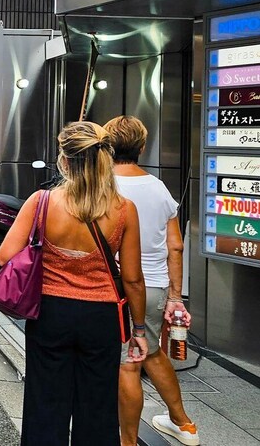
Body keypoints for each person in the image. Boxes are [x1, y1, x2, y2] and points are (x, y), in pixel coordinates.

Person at [0, 121, 148, 446]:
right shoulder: (124, 210)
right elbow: (133, 279)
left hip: (50, 313)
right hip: (101, 318)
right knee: (97, 408)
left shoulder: (41, 202)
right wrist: (139, 330)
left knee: (44, 403)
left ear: (64, 160)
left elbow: (5, 256)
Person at [104, 116, 200, 446]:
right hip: (157, 286)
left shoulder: (103, 185)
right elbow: (176, 244)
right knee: (152, 354)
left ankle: (127, 441)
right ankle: (182, 423)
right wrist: (175, 296)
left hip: (116, 287)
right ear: (142, 147)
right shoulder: (159, 188)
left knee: (128, 363)